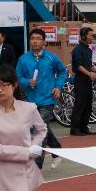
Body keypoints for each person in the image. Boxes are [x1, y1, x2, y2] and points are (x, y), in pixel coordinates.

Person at [15, 28, 66, 167]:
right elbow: (18, 76)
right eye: (32, 39)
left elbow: (62, 71)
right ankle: (56, 150)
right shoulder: (23, 59)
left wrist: (58, 87)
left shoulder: (51, 57)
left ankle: (37, 165)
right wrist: (27, 82)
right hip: (31, 101)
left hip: (48, 99)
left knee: (39, 130)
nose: (35, 41)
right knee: (43, 128)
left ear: (44, 41)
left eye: (38, 38)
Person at [69, 26, 96, 136]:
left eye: (92, 35)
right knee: (80, 104)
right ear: (83, 36)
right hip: (80, 80)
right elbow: (79, 66)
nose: (92, 37)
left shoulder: (89, 50)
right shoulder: (77, 49)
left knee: (88, 105)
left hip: (88, 80)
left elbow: (88, 66)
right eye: (90, 35)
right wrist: (89, 73)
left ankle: (83, 127)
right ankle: (75, 128)